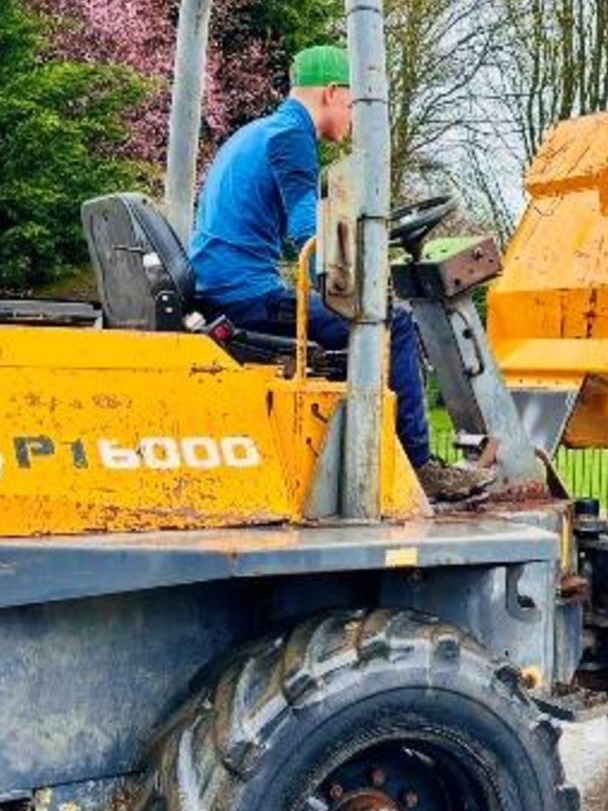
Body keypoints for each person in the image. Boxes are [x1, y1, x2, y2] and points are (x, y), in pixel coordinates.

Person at [190, 44, 494, 503]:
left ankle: (363, 457)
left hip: (222, 286)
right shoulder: (291, 136)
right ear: (331, 92)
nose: (352, 119)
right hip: (245, 295)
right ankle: (419, 466)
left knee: (361, 321)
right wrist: (350, 290)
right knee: (394, 322)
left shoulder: (255, 132)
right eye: (352, 104)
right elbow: (306, 229)